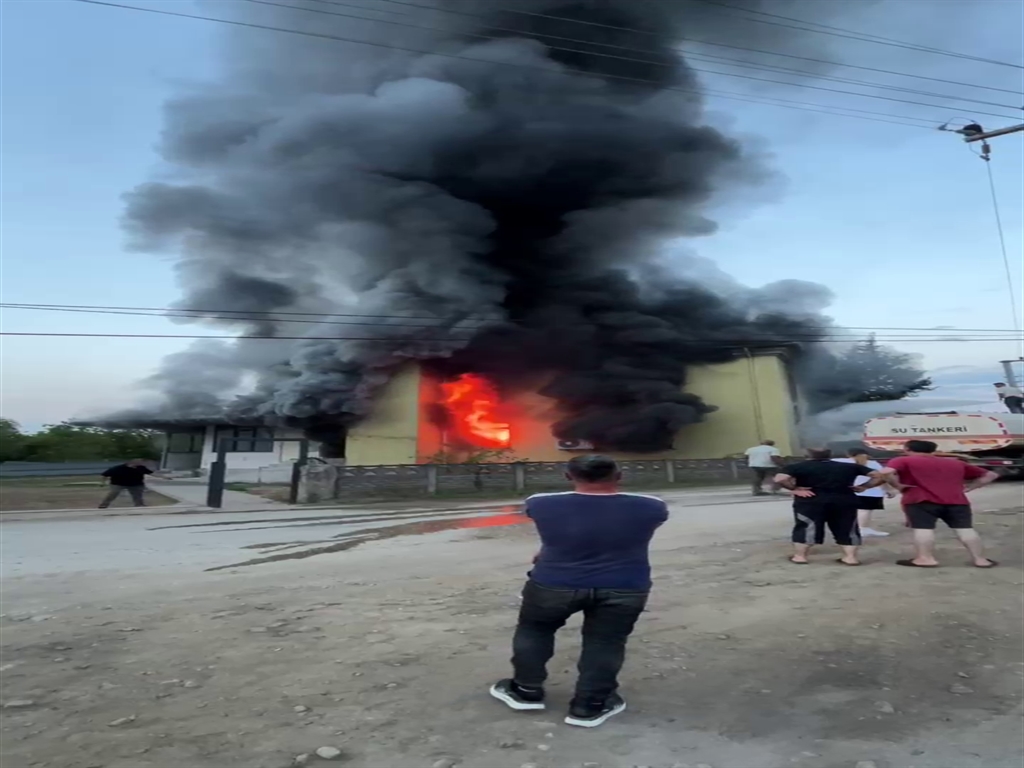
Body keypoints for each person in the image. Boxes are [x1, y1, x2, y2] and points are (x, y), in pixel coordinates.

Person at [489, 455, 668, 728]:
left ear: (568, 476)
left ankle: (525, 691)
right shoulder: (652, 506)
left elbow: (567, 532)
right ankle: (590, 705)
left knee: (535, 631)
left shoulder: (540, 502)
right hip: (624, 586)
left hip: (553, 582)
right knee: (605, 642)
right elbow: (621, 534)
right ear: (619, 476)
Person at [880, 440, 999, 568]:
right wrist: (971, 486)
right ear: (933, 450)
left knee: (923, 529)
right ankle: (980, 560)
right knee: (965, 529)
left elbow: (885, 472)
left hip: (920, 500)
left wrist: (896, 486)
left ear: (907, 449)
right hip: (957, 500)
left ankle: (925, 558)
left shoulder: (903, 460)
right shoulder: (955, 462)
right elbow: (991, 475)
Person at [774, 448, 887, 566]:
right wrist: (864, 486)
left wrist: (795, 489)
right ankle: (850, 558)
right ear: (830, 455)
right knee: (847, 528)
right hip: (844, 499)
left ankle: (800, 557)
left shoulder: (798, 466)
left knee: (806, 527)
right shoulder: (849, 466)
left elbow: (780, 478)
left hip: (810, 500)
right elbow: (879, 476)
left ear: (807, 455)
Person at [832, 447, 895, 537]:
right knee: (865, 511)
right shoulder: (872, 463)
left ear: (848, 455)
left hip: (848, 490)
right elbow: (882, 477)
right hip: (870, 491)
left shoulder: (840, 461)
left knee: (849, 511)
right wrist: (887, 489)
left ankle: (849, 528)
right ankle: (863, 528)